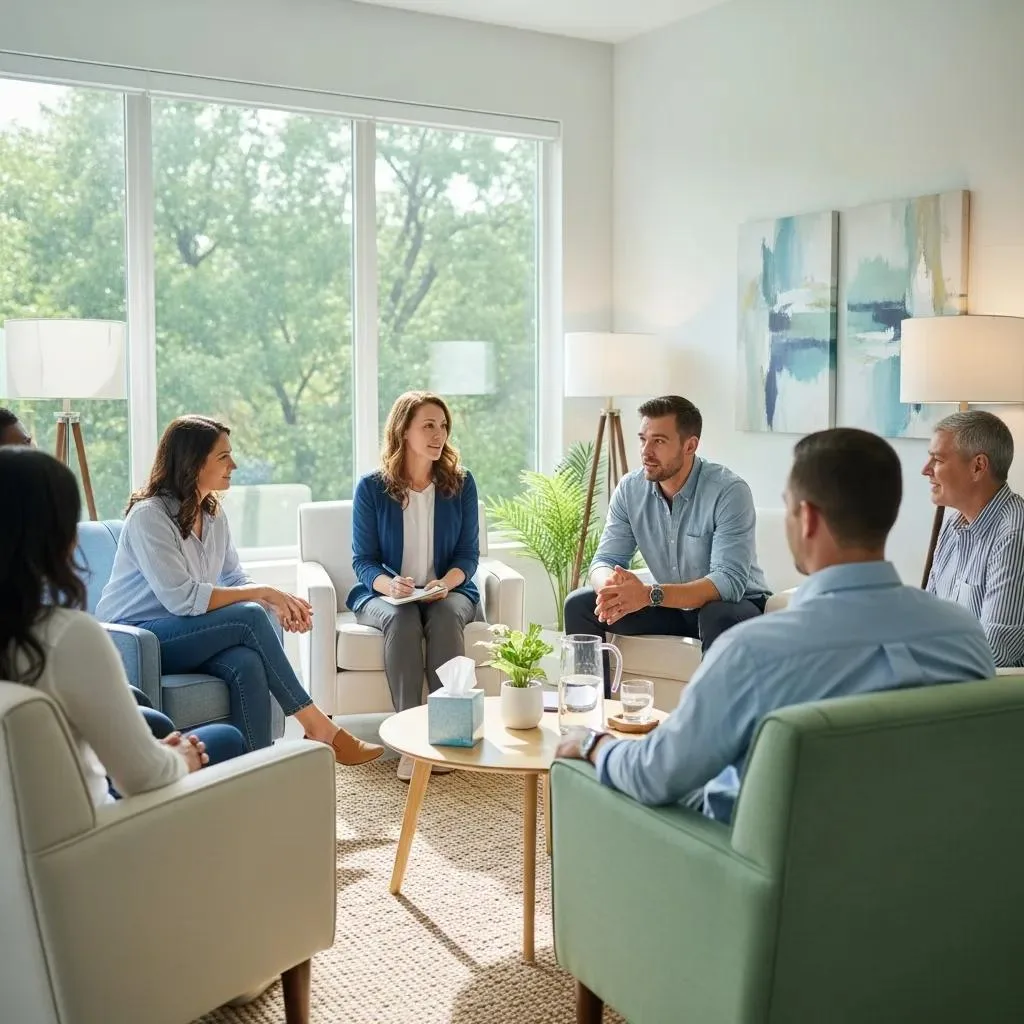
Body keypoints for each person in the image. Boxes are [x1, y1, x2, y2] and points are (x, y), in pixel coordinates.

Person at [556, 428, 996, 824]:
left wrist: (593, 745)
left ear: (807, 520)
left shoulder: (755, 652)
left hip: (774, 874)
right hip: (926, 864)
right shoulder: (962, 637)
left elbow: (656, 775)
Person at [96, 415, 383, 765]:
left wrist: (273, 600)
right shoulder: (149, 516)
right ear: (193, 461)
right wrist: (264, 594)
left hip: (185, 633)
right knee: (248, 616)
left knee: (245, 661)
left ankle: (254, 772)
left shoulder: (213, 515)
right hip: (138, 639)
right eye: (223, 457)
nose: (234, 464)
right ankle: (318, 726)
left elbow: (234, 579)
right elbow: (183, 598)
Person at [0, 446, 246, 807]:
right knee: (224, 739)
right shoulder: (68, 635)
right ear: (59, 538)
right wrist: (182, 757)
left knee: (239, 662)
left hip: (21, 845)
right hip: (99, 839)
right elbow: (144, 778)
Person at [563, 395, 770, 692]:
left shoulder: (729, 492)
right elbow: (603, 560)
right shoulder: (630, 489)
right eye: (642, 439)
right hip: (671, 605)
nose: (646, 451)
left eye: (658, 441)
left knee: (717, 612)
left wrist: (648, 595)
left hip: (736, 607)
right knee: (579, 605)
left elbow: (728, 582)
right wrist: (613, 590)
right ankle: (593, 713)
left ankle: (710, 723)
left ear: (690, 446)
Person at [348, 391, 480, 780]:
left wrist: (445, 583)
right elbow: (363, 562)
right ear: (404, 431)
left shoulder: (461, 484)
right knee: (402, 620)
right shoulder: (372, 488)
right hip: (386, 596)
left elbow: (468, 556)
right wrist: (390, 587)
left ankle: (449, 738)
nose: (438, 434)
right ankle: (410, 745)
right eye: (428, 425)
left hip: (449, 592)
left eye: (443, 426)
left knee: (443, 617)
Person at [924, 410, 1024, 669]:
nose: (926, 470)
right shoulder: (952, 526)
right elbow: (927, 621)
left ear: (978, 466)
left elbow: (996, 651)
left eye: (937, 460)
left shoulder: (1015, 533)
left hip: (992, 697)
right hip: (950, 679)